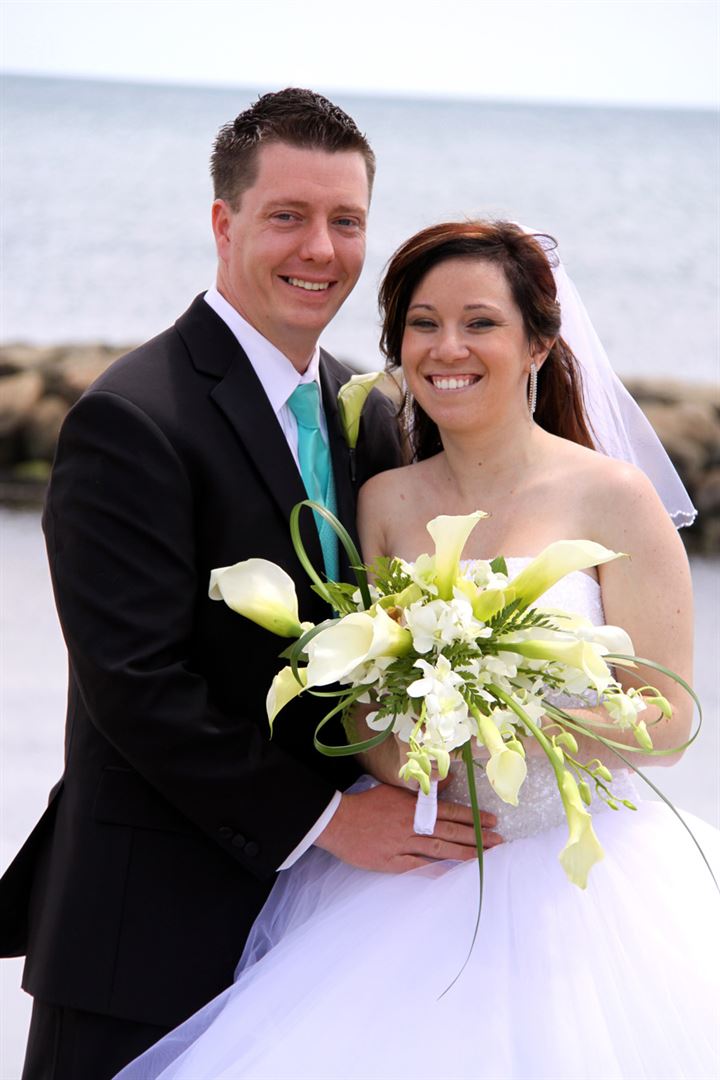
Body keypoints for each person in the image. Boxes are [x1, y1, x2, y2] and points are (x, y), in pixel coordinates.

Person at [115, 221, 718, 1080]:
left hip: (585, 878)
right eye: (423, 324)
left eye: (480, 323)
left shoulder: (613, 497)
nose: (447, 349)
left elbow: (671, 718)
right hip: (416, 869)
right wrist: (410, 756)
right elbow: (361, 702)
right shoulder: (384, 499)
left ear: (539, 343)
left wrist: (515, 732)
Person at [0, 92, 500, 1080]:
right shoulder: (131, 418)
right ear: (223, 224)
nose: (321, 248)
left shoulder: (367, 413)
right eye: (288, 216)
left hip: (326, 935)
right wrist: (329, 823)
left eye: (347, 220)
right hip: (147, 933)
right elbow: (138, 685)